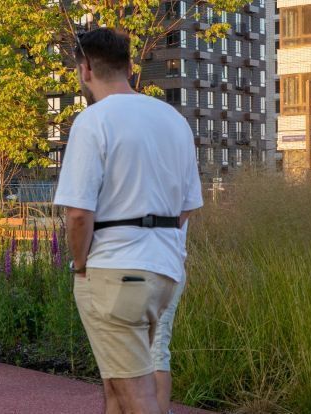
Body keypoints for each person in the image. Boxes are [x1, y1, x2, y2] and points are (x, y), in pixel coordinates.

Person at [54, 28, 201, 414]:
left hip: (114, 269)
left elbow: (78, 213)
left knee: (136, 397)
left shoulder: (93, 121)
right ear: (130, 66)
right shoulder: (173, 119)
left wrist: (81, 264)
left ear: (84, 69)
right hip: (165, 270)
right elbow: (187, 206)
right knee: (120, 384)